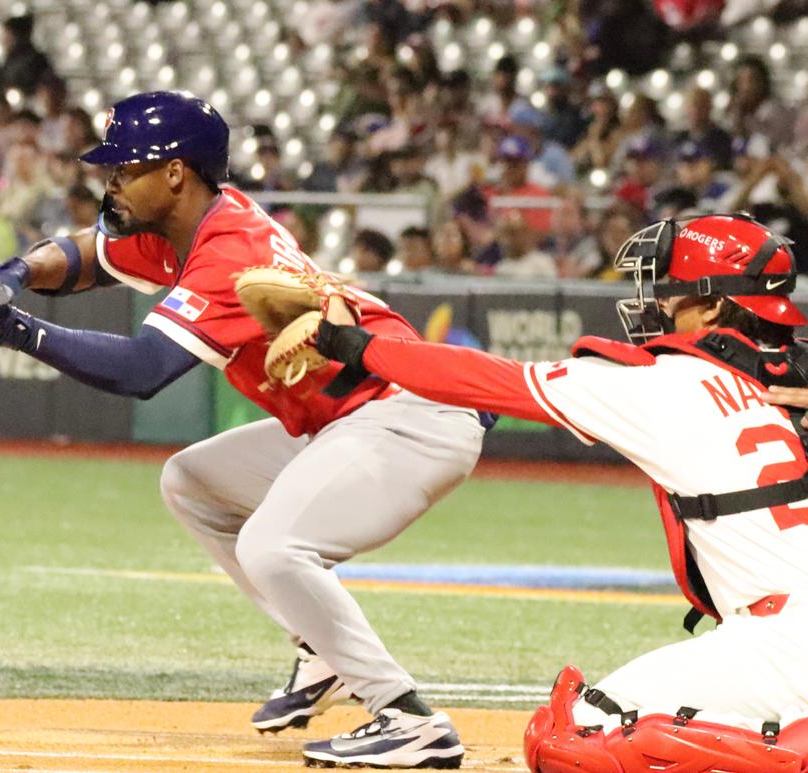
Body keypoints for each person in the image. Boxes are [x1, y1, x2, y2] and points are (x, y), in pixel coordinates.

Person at [0, 91, 486, 769]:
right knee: (193, 481)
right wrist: (14, 274)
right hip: (349, 416)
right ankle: (320, 648)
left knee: (272, 546)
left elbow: (142, 370)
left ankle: (408, 718)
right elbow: (84, 256)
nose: (111, 182)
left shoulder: (231, 249)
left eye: (126, 168)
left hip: (409, 413)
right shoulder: (186, 227)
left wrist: (18, 330)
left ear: (175, 172)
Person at [315, 213, 808, 772]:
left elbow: (484, 379)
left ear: (714, 306)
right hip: (777, 638)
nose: (660, 303)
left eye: (672, 290)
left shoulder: (661, 382)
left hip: (784, 641)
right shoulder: (789, 381)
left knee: (573, 736)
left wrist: (358, 346)